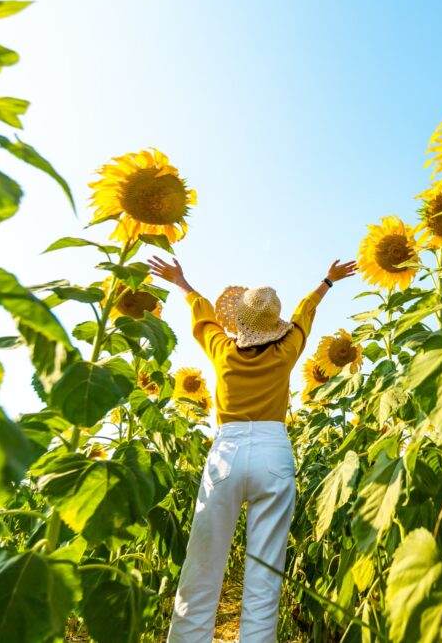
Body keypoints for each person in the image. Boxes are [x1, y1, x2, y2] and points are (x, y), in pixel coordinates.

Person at [147, 256, 358, 643]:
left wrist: (181, 281)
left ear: (239, 323)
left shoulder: (222, 350)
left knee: (203, 563)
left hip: (227, 453)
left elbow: (201, 314)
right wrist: (327, 281)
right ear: (274, 326)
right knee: (265, 570)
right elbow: (304, 314)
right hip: (273, 452)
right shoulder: (287, 349)